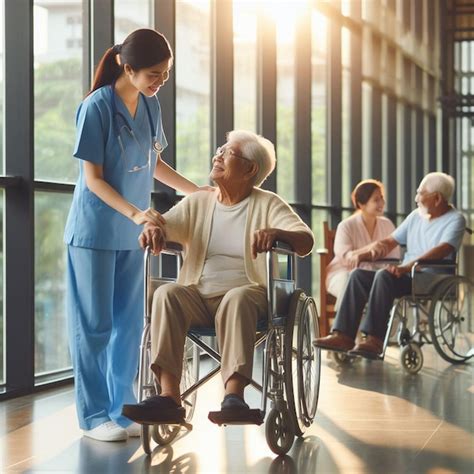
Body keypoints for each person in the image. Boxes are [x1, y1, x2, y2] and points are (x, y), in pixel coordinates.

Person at [64, 29, 208, 442]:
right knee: (94, 326)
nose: (160, 81)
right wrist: (136, 213)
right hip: (94, 232)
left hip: (134, 235)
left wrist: (196, 190)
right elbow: (92, 179)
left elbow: (154, 163)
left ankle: (120, 410)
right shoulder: (96, 107)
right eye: (153, 74)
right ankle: (93, 417)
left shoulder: (149, 105)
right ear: (127, 68)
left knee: (128, 325)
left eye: (165, 74)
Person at [121, 130, 314, 424]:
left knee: (237, 298)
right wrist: (152, 228)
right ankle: (169, 398)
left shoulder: (268, 203)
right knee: (167, 293)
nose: (218, 156)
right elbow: (164, 225)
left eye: (227, 152)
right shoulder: (200, 201)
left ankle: (233, 397)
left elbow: (305, 241)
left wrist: (277, 233)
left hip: (249, 296)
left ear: (250, 168)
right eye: (219, 150)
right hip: (198, 296)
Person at [314, 172, 466, 359]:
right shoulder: (415, 217)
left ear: (436, 198)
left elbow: (443, 250)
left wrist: (407, 266)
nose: (416, 198)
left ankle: (374, 340)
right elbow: (389, 242)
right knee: (358, 275)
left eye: (421, 193)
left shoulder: (456, 219)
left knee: (384, 276)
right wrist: (364, 254)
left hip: (431, 278)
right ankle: (343, 336)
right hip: (408, 275)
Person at [326, 180, 399, 306]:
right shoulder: (346, 226)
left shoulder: (387, 224)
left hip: (375, 274)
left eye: (382, 198)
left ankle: (384, 325)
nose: (382, 202)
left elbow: (394, 257)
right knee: (348, 282)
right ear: (361, 204)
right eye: (376, 200)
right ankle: (345, 325)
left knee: (390, 284)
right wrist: (371, 247)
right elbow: (345, 258)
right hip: (342, 273)